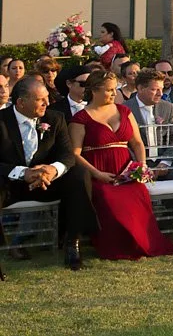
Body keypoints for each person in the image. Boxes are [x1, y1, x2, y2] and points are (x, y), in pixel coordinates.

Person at [66, 68, 173, 260]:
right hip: (99, 173)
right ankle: (117, 245)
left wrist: (141, 166)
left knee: (138, 193)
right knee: (108, 198)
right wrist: (97, 174)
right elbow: (75, 153)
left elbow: (137, 143)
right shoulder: (81, 118)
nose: (114, 93)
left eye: (114, 89)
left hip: (126, 171)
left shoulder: (124, 111)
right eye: (109, 90)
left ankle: (142, 242)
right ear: (94, 90)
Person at [1, 75, 100, 272]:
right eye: (40, 99)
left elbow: (67, 155)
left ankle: (72, 243)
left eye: (47, 97)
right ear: (21, 102)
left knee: (78, 175)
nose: (47, 102)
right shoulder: (2, 121)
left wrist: (52, 169)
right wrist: (23, 172)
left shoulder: (55, 118)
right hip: (10, 185)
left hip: (47, 183)